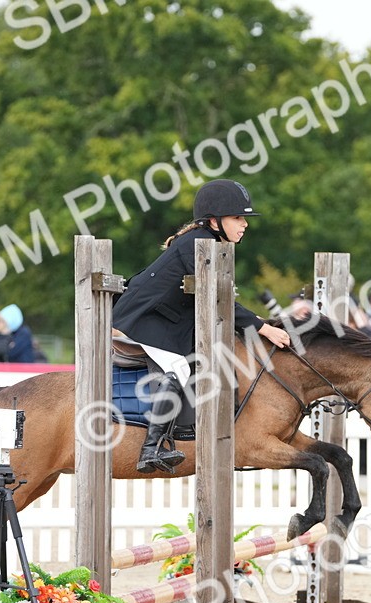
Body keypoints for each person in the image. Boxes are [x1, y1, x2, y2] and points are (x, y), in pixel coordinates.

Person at [112, 178, 290, 474]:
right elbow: (221, 302)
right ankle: (151, 448)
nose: (244, 224)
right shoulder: (198, 243)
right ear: (214, 221)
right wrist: (262, 326)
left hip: (167, 320)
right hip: (142, 320)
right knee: (179, 367)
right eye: (237, 218)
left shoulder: (210, 243)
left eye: (243, 218)